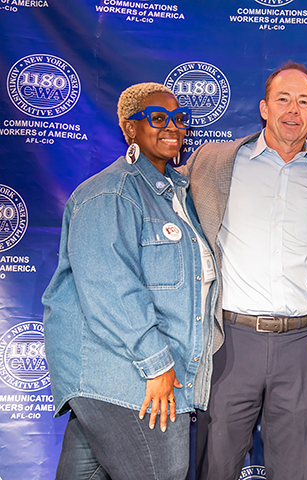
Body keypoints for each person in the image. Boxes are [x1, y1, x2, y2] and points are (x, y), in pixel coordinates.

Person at [179, 61, 307, 480]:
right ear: (264, 108)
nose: (293, 110)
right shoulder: (214, 161)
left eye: (304, 102)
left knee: (294, 471)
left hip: (302, 347)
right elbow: (159, 192)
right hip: (230, 342)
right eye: (283, 99)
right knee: (216, 466)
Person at [42, 82, 217, 480]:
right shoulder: (112, 192)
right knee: (163, 472)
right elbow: (110, 288)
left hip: (134, 378)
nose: (172, 126)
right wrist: (156, 364)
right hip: (133, 379)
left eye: (179, 118)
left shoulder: (177, 195)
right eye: (157, 118)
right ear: (128, 128)